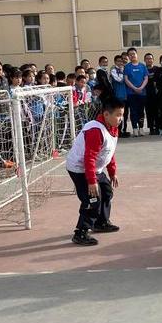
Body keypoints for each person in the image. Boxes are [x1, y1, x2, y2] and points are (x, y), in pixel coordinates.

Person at [65, 96, 123, 246]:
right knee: (92, 199)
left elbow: (109, 152)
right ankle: (81, 232)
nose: (120, 118)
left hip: (94, 168)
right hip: (80, 169)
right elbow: (89, 157)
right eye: (118, 115)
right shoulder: (95, 130)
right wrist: (91, 182)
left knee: (107, 192)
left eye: (122, 115)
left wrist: (112, 172)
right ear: (106, 114)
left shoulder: (113, 128)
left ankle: (101, 223)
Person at [110, 55, 128, 135]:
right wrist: (122, 71)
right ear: (115, 62)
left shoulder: (124, 69)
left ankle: (124, 130)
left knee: (125, 113)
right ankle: (118, 131)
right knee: (118, 114)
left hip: (125, 95)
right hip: (117, 95)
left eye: (121, 61)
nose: (120, 63)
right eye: (118, 61)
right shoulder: (114, 70)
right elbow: (119, 80)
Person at [144, 52, 159, 135]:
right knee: (149, 112)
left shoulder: (157, 69)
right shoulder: (143, 69)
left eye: (150, 58)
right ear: (144, 60)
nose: (149, 60)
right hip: (146, 93)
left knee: (156, 111)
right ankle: (151, 129)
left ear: (153, 60)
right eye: (147, 59)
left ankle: (157, 127)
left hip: (156, 94)